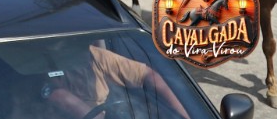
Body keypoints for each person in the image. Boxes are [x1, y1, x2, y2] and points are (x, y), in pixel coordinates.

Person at [42, 41, 188, 119]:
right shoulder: (39, 65)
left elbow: (149, 76)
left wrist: (184, 116)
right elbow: (63, 99)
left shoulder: (96, 56)